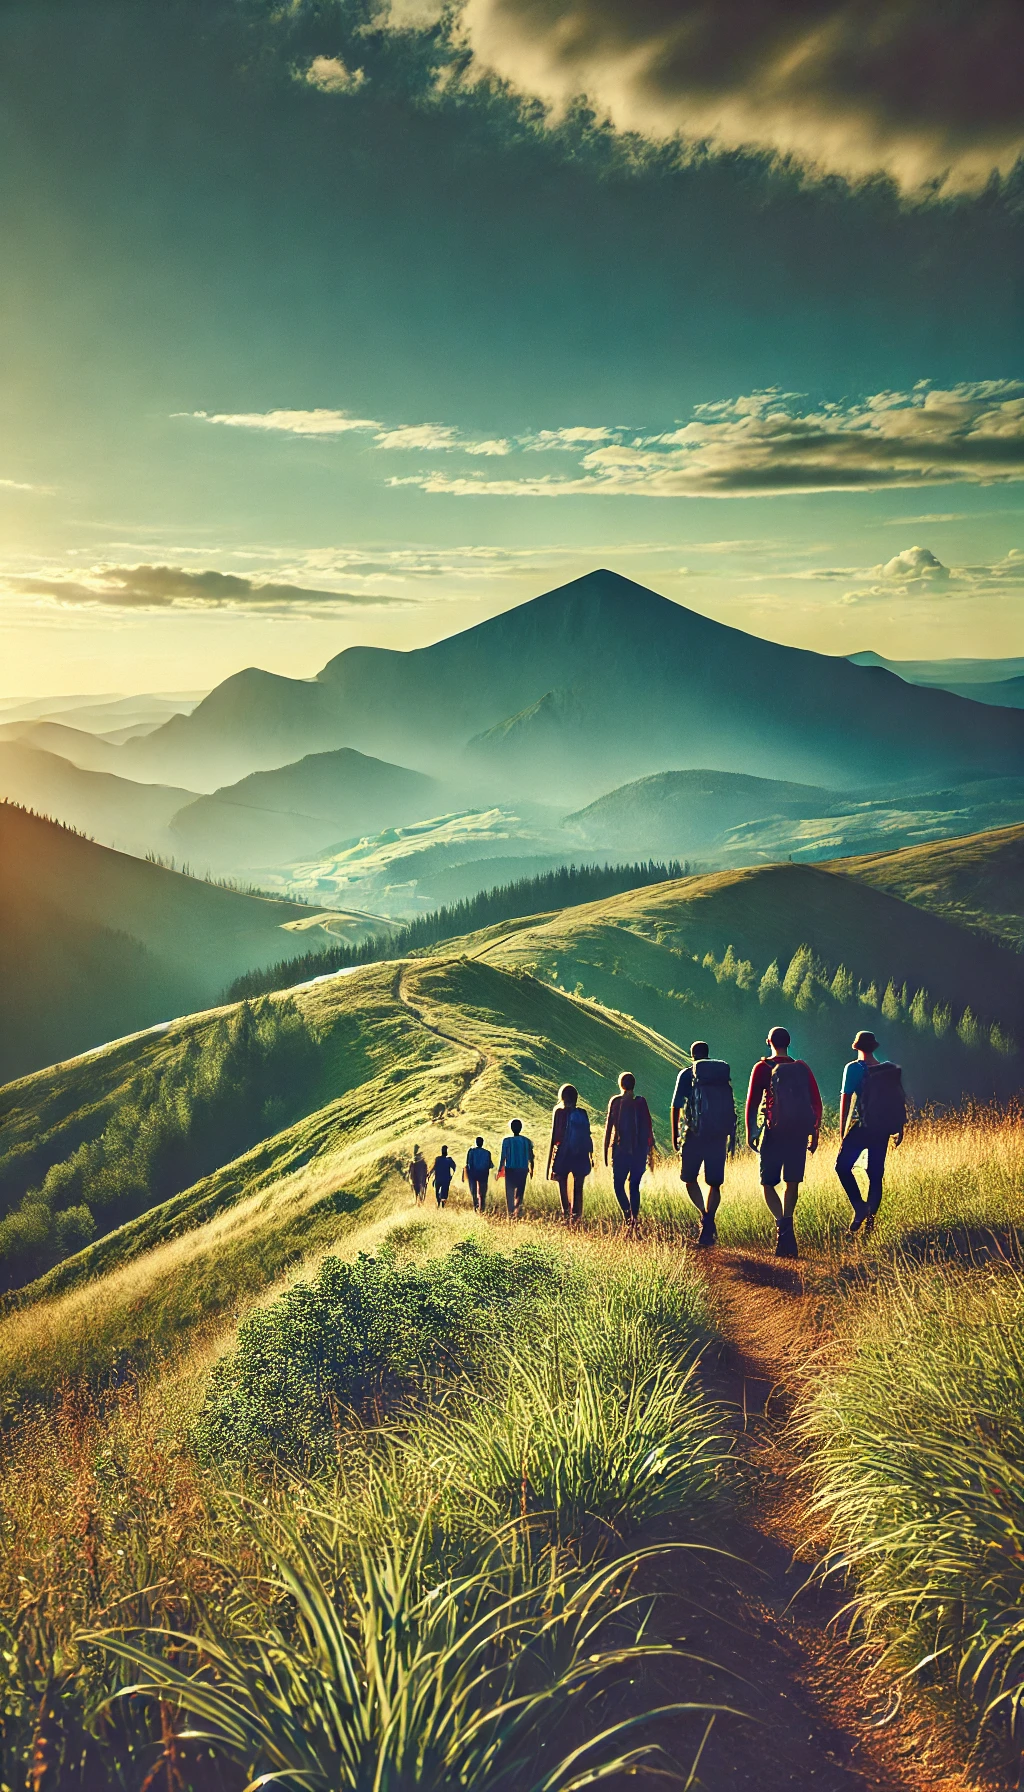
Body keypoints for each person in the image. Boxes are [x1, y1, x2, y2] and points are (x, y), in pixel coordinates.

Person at [745, 1027, 822, 1259]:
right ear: (789, 1043)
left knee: (768, 1183)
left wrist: (751, 1131)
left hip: (773, 1132)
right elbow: (816, 1102)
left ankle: (782, 1228)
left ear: (768, 1041)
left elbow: (752, 1102)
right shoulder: (802, 1068)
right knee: (792, 1182)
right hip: (798, 1132)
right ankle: (788, 1227)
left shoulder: (761, 1068)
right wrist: (814, 1132)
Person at [836, 1030, 906, 1236]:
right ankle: (870, 1226)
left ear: (856, 1047)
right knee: (875, 1175)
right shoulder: (888, 1070)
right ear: (874, 1047)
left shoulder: (853, 1069)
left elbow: (846, 1100)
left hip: (864, 1127)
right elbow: (898, 1099)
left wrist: (842, 1131)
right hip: (883, 1128)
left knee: (842, 1167)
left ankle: (859, 1207)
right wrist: (900, 1127)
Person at [671, 1042, 737, 1248]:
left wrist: (675, 1135)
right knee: (714, 1183)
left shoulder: (686, 1074)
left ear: (692, 1055)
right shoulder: (720, 1076)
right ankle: (710, 1219)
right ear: (708, 1055)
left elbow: (676, 1105)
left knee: (689, 1178)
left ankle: (704, 1216)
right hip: (718, 1135)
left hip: (694, 1135)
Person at [604, 1072, 654, 1226]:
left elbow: (608, 1129)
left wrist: (605, 1151)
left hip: (620, 1151)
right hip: (639, 1151)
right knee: (634, 1186)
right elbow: (648, 1127)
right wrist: (650, 1152)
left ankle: (627, 1216)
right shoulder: (641, 1102)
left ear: (620, 1084)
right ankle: (635, 1219)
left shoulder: (615, 1101)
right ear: (634, 1084)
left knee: (618, 1185)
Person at [547, 1084, 593, 1226]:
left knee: (562, 1183)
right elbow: (587, 1134)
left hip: (564, 1152)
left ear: (562, 1097)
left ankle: (566, 1214)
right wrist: (590, 1155)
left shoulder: (559, 1112)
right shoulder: (583, 1113)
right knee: (578, 1186)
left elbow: (554, 1135)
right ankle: (577, 1216)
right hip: (580, 1153)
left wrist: (550, 1163)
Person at [498, 1118, 534, 1219]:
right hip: (522, 1170)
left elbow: (503, 1157)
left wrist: (500, 1169)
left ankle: (510, 1215)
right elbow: (531, 1157)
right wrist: (532, 1170)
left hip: (510, 1169)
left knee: (509, 1192)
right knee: (520, 1192)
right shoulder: (527, 1141)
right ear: (521, 1128)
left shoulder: (507, 1141)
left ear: (511, 1128)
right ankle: (517, 1213)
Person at [464, 1136, 493, 1213]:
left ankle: (475, 1207)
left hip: (473, 1173)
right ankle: (482, 1208)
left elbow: (468, 1163)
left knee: (473, 1192)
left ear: (476, 1142)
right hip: (483, 1174)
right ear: (482, 1143)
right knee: (482, 1193)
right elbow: (490, 1165)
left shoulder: (471, 1151)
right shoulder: (487, 1153)